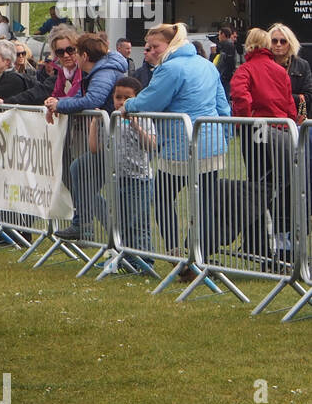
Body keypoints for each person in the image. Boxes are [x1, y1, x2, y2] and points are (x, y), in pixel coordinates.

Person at [121, 22, 230, 267]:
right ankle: (198, 257)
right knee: (204, 203)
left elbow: (151, 101)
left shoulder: (170, 69)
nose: (150, 50)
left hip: (182, 147)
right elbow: (223, 106)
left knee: (161, 197)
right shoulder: (206, 65)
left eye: (154, 46)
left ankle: (177, 253)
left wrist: (127, 106)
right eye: (148, 46)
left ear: (170, 44)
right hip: (211, 143)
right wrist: (225, 135)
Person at [50, 34, 128, 240]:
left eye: (73, 51)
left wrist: (59, 105)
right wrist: (58, 103)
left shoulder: (103, 72)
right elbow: (81, 96)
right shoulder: (98, 71)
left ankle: (94, 229)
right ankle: (85, 226)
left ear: (84, 55)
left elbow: (93, 98)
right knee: (80, 173)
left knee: (83, 174)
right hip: (109, 138)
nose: (71, 56)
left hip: (118, 140)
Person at [231, 27, 297, 262]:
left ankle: (259, 246)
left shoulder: (245, 70)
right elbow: (290, 105)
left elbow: (241, 98)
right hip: (283, 131)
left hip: (258, 132)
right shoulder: (280, 71)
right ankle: (284, 248)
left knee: (257, 188)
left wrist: (245, 121)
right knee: (283, 189)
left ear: (249, 45)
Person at [98, 77, 156, 257]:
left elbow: (152, 145)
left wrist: (136, 126)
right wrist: (94, 122)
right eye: (118, 97)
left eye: (127, 98)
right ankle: (125, 258)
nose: (121, 102)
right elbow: (96, 147)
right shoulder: (112, 119)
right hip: (118, 178)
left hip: (139, 179)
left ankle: (145, 260)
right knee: (120, 222)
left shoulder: (142, 118)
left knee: (138, 223)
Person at [0, 26, 83, 108]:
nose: (66, 55)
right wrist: (7, 101)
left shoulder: (85, 72)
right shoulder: (61, 75)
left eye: (70, 50)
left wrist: (58, 103)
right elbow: (40, 92)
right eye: (60, 52)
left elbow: (82, 99)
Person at [267, 23, 312, 120]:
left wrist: (282, 97)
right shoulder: (264, 65)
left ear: (290, 43)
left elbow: (308, 96)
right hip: (270, 118)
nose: (278, 44)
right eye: (274, 41)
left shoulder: (302, 65)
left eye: (283, 41)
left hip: (294, 119)